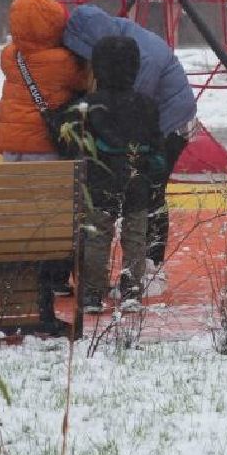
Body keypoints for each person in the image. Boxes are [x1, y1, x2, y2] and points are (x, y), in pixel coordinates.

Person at [63, 4, 197, 287]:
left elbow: (128, 110)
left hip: (169, 124)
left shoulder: (138, 58)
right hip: (155, 120)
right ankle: (131, 273)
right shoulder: (116, 35)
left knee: (148, 191)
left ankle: (150, 265)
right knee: (135, 193)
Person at [64, 35, 160, 312]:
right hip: (136, 177)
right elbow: (157, 145)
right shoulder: (146, 104)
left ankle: (93, 294)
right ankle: (131, 292)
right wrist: (153, 173)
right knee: (135, 237)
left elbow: (74, 141)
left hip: (99, 178)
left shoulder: (89, 106)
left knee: (97, 236)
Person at [0, 0, 86, 161]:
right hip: (43, 143)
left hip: (10, 143)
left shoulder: (10, 55)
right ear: (54, 23)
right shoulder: (63, 61)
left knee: (18, 186)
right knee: (47, 186)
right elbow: (83, 83)